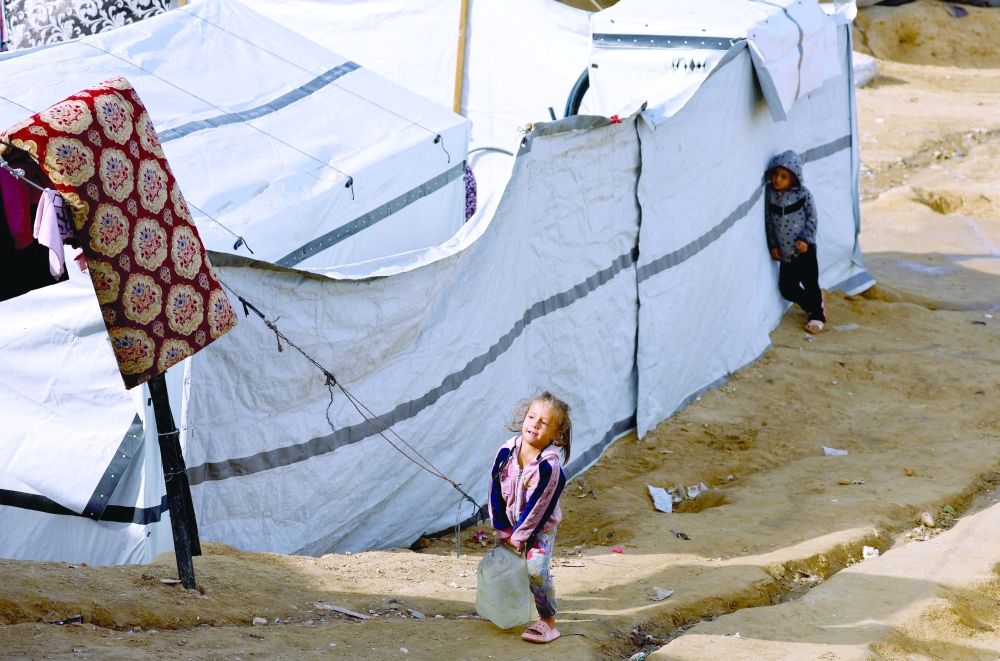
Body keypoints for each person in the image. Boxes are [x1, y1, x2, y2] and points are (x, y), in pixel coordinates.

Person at [487, 391, 571, 644]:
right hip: (511, 527)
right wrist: (503, 530)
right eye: (531, 417)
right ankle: (511, 608)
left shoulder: (550, 466)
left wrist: (520, 536)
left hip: (539, 529)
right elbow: (495, 491)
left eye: (543, 422)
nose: (534, 424)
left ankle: (547, 620)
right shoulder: (506, 452)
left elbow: (539, 508)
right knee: (506, 568)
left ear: (557, 434)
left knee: (535, 570)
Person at [765, 150, 827, 333]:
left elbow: (812, 219)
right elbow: (768, 221)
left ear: (794, 178)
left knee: (810, 283)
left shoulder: (803, 194)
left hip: (804, 250)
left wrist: (805, 239)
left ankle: (817, 315)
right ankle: (815, 303)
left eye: (784, 176)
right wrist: (773, 245)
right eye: (775, 174)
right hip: (785, 252)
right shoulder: (770, 193)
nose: (777, 179)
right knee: (787, 288)